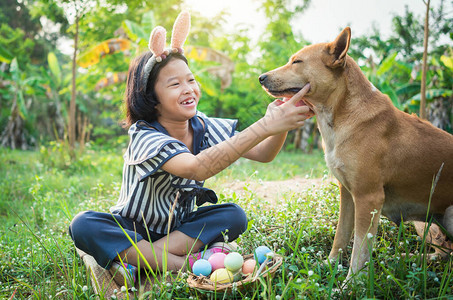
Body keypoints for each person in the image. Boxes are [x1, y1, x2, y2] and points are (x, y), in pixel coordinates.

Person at [69, 11, 313, 286]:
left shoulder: (202, 125)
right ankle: (183, 263)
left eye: (191, 80)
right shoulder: (144, 135)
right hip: (133, 227)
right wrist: (266, 125)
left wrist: (280, 121)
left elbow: (264, 154)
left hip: (179, 229)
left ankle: (138, 259)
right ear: (151, 98)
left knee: (233, 215)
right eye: (174, 84)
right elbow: (196, 167)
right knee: (83, 224)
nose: (188, 89)